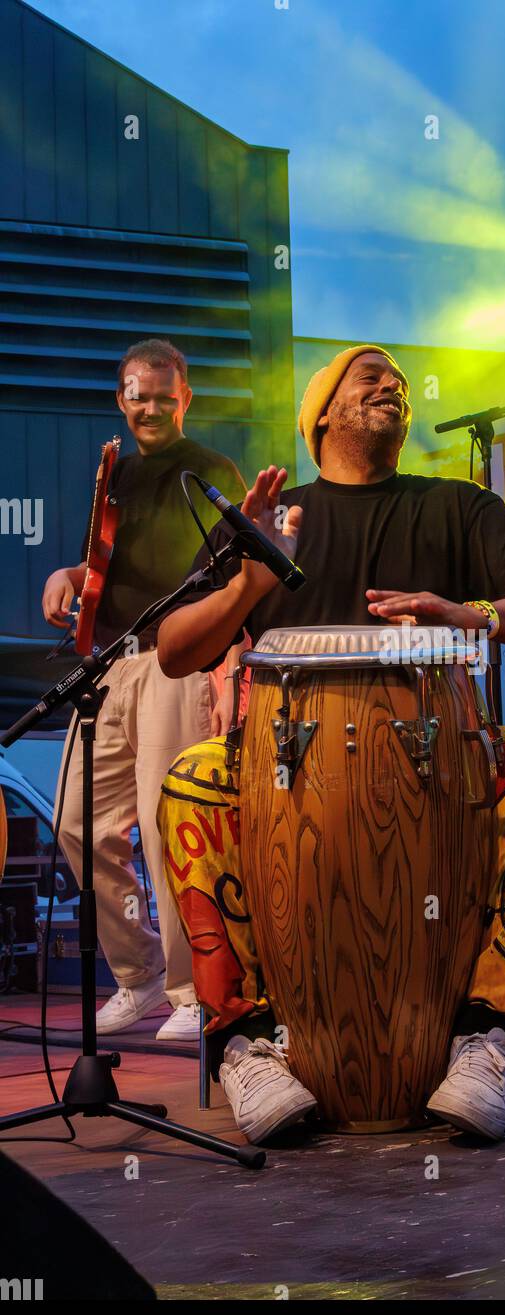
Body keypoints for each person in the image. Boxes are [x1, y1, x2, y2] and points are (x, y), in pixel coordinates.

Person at [156, 343, 505, 1141]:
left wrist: (468, 613)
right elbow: (176, 650)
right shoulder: (272, 524)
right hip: (281, 777)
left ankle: (492, 1035)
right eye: (369, 375)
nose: (393, 385)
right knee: (191, 779)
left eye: (399, 380)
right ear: (321, 413)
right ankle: (243, 1043)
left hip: (443, 768)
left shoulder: (457, 506)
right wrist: (249, 579)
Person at [42, 339, 246, 1040]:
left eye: (164, 395)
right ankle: (140, 976)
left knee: (171, 830)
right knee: (76, 822)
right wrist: (67, 578)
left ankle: (194, 992)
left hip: (175, 660)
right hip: (111, 663)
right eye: (138, 394)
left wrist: (227, 674)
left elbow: (236, 582)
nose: (150, 406)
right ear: (121, 399)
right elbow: (106, 566)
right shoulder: (116, 474)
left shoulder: (210, 471)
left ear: (185, 399)